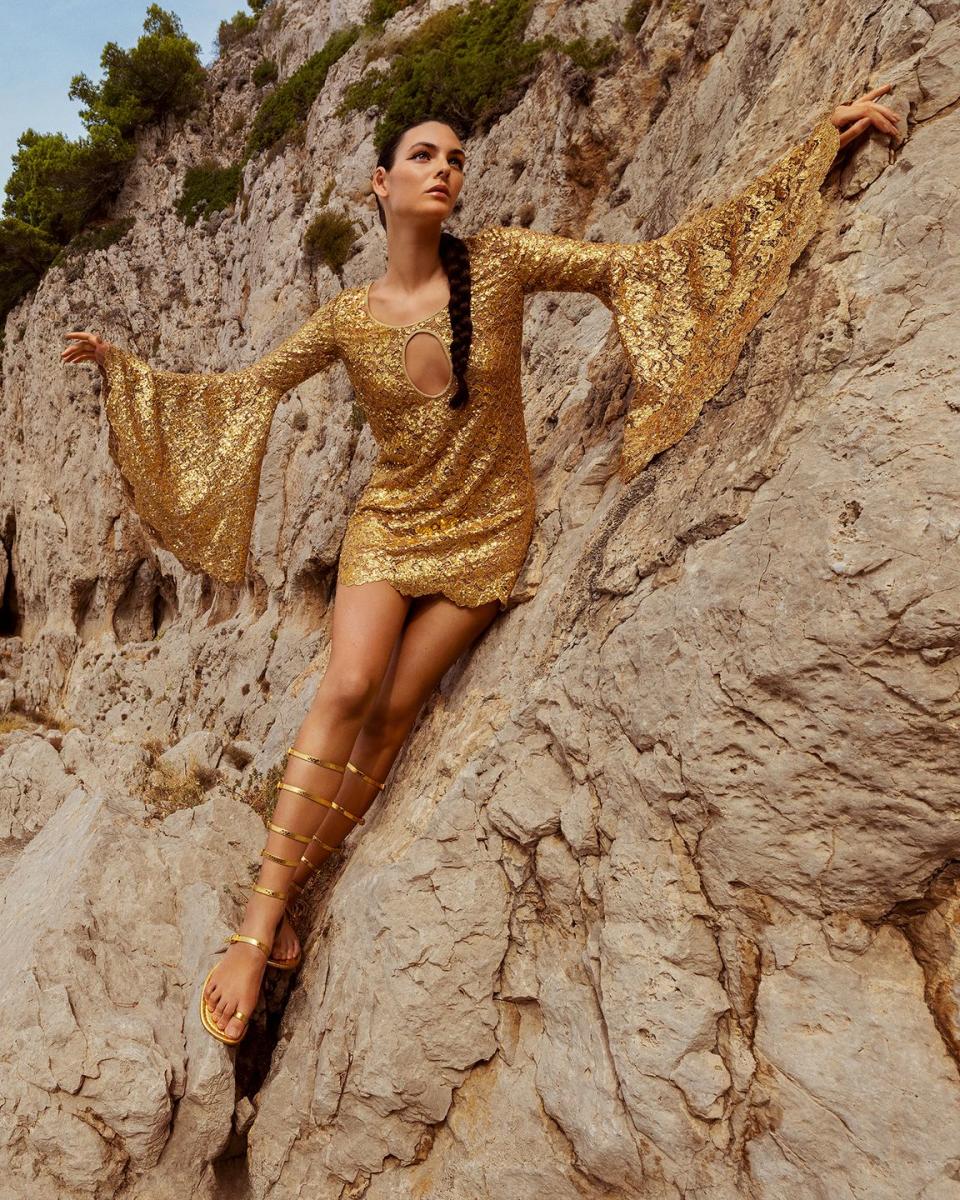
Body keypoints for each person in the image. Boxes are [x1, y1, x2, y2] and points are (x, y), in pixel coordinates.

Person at [61, 87, 902, 1045]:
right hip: (390, 523)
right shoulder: (345, 318)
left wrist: (810, 151)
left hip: (489, 527)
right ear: (381, 184)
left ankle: (295, 885)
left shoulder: (500, 262)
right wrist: (124, 369)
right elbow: (237, 393)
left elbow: (644, 266)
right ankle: (258, 926)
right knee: (346, 683)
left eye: (456, 158)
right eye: (424, 155)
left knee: (391, 711)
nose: (445, 169)